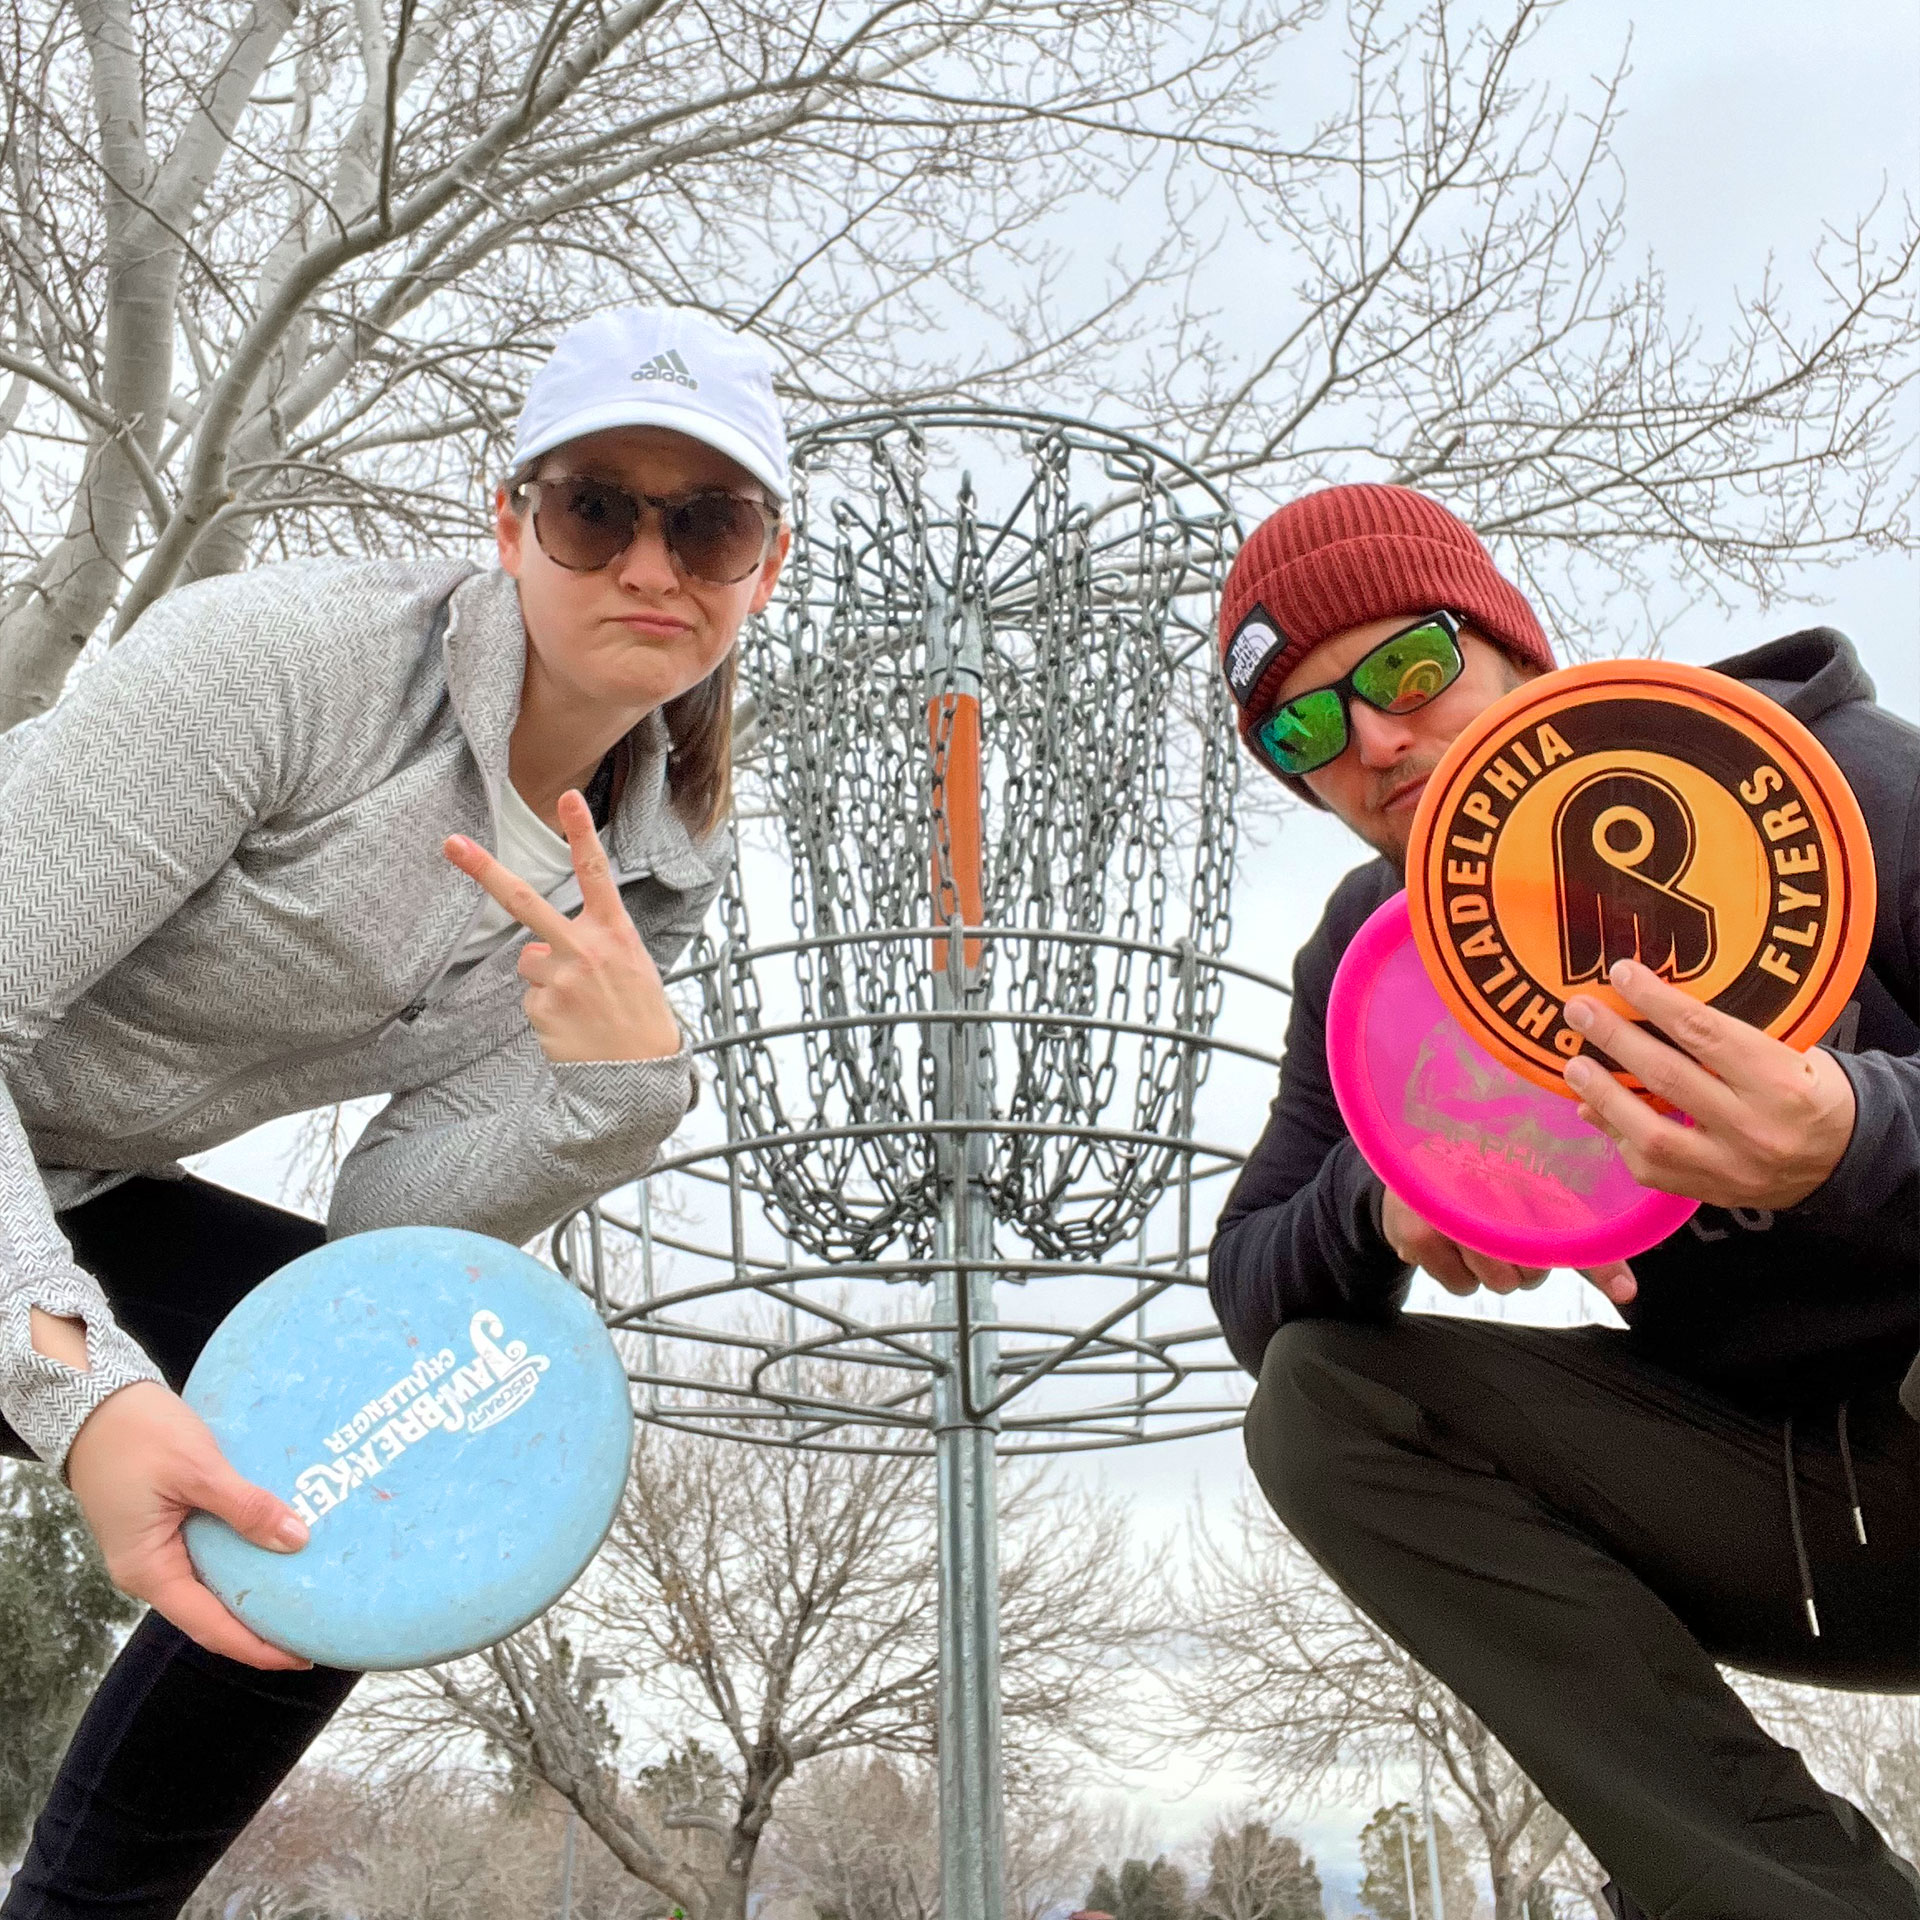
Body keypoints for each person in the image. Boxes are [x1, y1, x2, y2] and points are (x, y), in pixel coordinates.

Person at [0, 306, 790, 1917]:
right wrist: (72, 1381)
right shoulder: (284, 666)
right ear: (509, 524)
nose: (652, 563)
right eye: (594, 508)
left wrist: (616, 1104)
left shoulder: (654, 861)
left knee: (388, 1444)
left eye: (707, 520)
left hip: (71, 1172)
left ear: (764, 567)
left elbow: (383, 1261)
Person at [1208, 484, 1920, 1920]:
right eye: (1302, 732)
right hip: (1776, 1505)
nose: (1374, 742)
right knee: (1319, 1396)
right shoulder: (1377, 961)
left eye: (1408, 669)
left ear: (1521, 654)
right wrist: (1381, 1203)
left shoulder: (1827, 790)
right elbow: (1246, 1277)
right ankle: (1800, 1901)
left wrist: (1854, 1132)